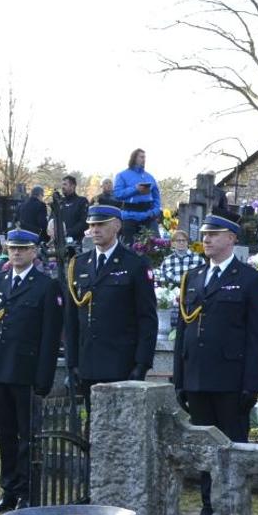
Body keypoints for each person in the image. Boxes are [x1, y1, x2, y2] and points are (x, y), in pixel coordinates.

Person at [173, 209, 258, 515]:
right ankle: (209, 510)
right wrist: (180, 378)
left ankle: (233, 509)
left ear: (231, 238)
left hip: (230, 382)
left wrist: (251, 386)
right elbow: (184, 331)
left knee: (231, 448)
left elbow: (257, 338)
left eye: (213, 235)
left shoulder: (250, 279)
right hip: (197, 379)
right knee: (205, 452)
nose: (206, 240)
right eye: (203, 235)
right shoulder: (195, 277)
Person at [0, 229, 62, 513]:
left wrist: (44, 377)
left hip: (26, 372)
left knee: (28, 437)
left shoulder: (45, 286)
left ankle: (27, 490)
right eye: (12, 248)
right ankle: (8, 490)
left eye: (22, 249)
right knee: (5, 436)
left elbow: (50, 336)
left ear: (34, 252)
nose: (16, 253)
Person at [63, 203, 158, 398]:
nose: (95, 229)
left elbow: (147, 318)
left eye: (101, 224)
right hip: (87, 363)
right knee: (93, 425)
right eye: (92, 225)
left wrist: (142, 364)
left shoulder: (135, 264)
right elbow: (72, 318)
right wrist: (71, 362)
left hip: (121, 363)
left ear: (116, 226)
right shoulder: (79, 264)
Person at [114, 149, 163, 241]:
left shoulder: (150, 176)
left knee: (153, 247)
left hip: (148, 216)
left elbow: (156, 196)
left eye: (145, 157)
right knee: (128, 247)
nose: (144, 159)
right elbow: (117, 194)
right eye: (141, 157)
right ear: (134, 158)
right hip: (129, 217)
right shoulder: (122, 175)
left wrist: (155, 211)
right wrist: (135, 189)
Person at [50, 176, 89, 253]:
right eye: (62, 185)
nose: (62, 187)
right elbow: (52, 220)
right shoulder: (59, 203)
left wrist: (68, 232)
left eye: (65, 184)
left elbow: (84, 222)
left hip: (77, 243)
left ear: (73, 186)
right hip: (59, 244)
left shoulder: (81, 201)